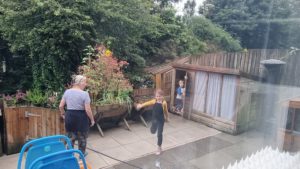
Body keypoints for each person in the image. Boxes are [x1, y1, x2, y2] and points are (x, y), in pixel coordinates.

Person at [59, 75, 95, 155]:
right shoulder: (85, 94)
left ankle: (70, 155)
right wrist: (92, 120)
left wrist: (63, 114)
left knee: (70, 137)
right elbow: (88, 110)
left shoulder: (67, 92)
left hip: (69, 116)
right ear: (80, 82)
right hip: (81, 118)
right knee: (82, 138)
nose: (86, 84)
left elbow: (61, 106)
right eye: (85, 82)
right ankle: (82, 155)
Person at [136, 89, 169, 155]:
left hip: (161, 120)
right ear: (155, 97)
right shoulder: (154, 101)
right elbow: (147, 103)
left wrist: (167, 117)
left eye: (160, 96)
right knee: (153, 131)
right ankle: (153, 129)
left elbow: (165, 111)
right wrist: (141, 105)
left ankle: (159, 148)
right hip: (154, 120)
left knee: (159, 134)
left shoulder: (164, 103)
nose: (158, 97)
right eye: (157, 96)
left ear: (162, 96)